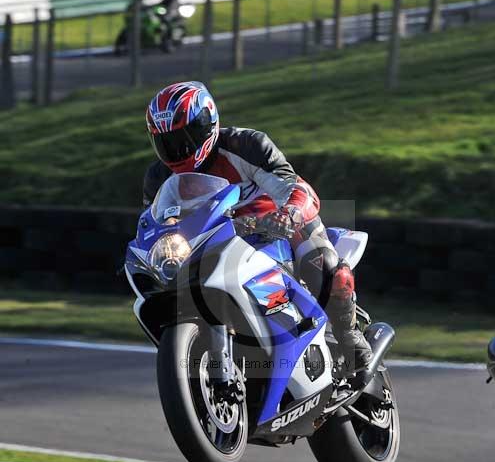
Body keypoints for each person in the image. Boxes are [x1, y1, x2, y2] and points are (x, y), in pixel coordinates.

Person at [143, 80, 373, 373]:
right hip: (212, 245)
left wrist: (288, 215)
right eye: (166, 143)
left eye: (183, 139)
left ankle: (348, 335)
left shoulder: (246, 146)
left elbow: (294, 186)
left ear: (206, 124)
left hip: (274, 231)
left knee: (321, 260)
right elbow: (157, 226)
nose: (176, 151)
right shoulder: (158, 178)